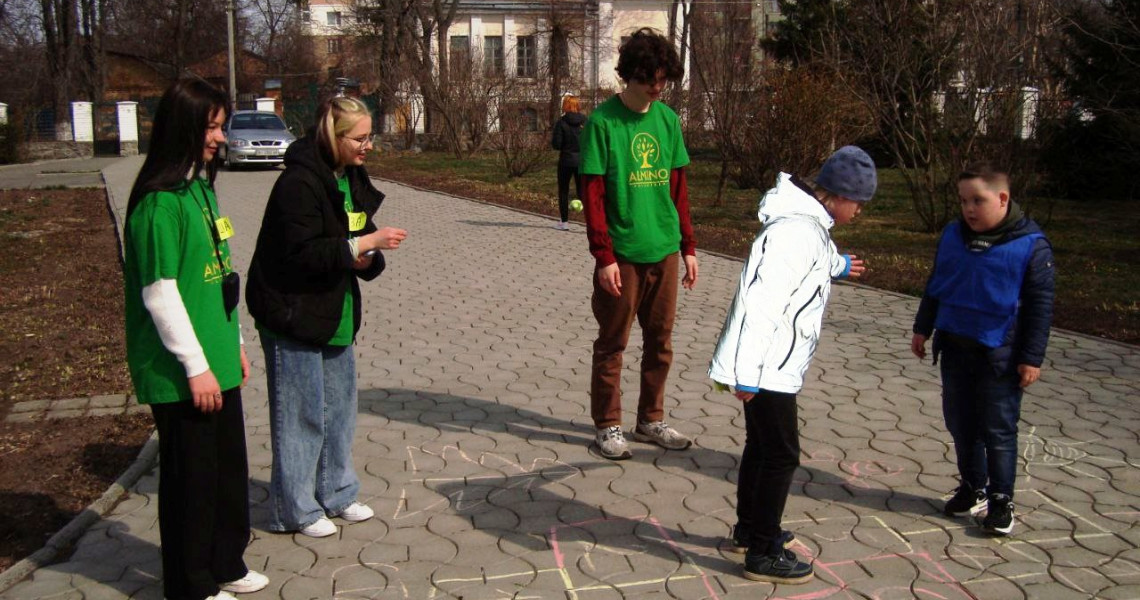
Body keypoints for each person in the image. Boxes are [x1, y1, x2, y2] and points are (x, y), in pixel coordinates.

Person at [123, 79, 268, 600]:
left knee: (228, 474)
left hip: (219, 359)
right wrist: (195, 365)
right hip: (183, 374)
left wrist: (238, 345)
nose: (221, 137)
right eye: (211, 126)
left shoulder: (200, 191)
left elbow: (221, 277)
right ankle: (191, 585)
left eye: (222, 125)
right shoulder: (158, 206)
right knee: (192, 483)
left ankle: (226, 561)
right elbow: (160, 295)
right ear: (182, 127)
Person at [709, 146, 876, 584]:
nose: (859, 212)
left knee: (763, 447)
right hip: (765, 364)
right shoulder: (794, 232)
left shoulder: (811, 227)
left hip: (775, 360)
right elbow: (758, 302)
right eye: (858, 202)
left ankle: (750, 529)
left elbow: (811, 265)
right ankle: (763, 551)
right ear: (837, 195)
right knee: (782, 454)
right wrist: (746, 372)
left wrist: (837, 265)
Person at [246, 96, 408, 538]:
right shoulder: (297, 184)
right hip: (293, 311)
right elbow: (299, 254)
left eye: (369, 136)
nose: (367, 146)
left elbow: (356, 239)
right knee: (301, 416)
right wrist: (359, 246)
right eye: (359, 138)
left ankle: (336, 491)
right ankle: (294, 509)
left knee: (339, 411)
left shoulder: (350, 178)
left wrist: (367, 255)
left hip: (334, 311)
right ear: (332, 137)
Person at [911, 161, 1054, 536]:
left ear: (1003, 198)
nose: (969, 209)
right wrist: (922, 328)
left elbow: (1040, 306)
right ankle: (973, 486)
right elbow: (937, 282)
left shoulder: (1031, 246)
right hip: (956, 347)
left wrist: (1031, 358)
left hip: (999, 356)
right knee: (961, 424)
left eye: (978, 200)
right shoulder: (954, 236)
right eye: (963, 201)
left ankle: (1001, 499)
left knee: (998, 429)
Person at [579, 27, 698, 461]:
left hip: (664, 249)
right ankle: (607, 426)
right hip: (623, 254)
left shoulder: (667, 121)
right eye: (649, 78)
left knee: (661, 340)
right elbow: (592, 194)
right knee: (613, 342)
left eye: (663, 80)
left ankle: (651, 419)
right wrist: (603, 255)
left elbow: (679, 189)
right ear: (629, 74)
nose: (657, 88)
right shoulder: (602, 123)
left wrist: (688, 246)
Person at [551, 94, 586, 230]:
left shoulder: (561, 122)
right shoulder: (585, 121)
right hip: (582, 161)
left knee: (563, 191)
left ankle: (564, 222)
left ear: (565, 106)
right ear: (577, 105)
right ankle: (590, 221)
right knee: (583, 191)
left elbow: (556, 144)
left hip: (566, 160)